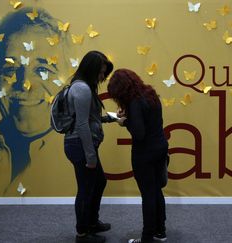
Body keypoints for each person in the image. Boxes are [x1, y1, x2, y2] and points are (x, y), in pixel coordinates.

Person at [0, 7, 73, 190]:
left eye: (42, 70)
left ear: (68, 82)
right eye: (9, 69)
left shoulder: (73, 152)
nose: (25, 83)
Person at [107, 69, 169, 243]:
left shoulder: (134, 102)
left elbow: (139, 133)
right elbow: (148, 121)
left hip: (144, 153)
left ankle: (147, 237)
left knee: (148, 195)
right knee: (157, 191)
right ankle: (160, 232)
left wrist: (124, 122)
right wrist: (128, 116)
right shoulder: (150, 94)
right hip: (160, 147)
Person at [64, 50, 114, 243]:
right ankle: (82, 233)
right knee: (86, 188)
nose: (102, 77)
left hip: (82, 144)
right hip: (80, 145)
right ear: (91, 69)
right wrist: (90, 157)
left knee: (99, 182)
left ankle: (92, 222)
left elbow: (89, 119)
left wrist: (111, 118)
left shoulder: (82, 87)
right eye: (101, 72)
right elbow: (82, 125)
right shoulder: (82, 89)